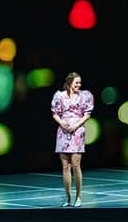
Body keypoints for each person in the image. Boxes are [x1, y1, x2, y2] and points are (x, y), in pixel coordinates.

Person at [51, 72, 94, 207]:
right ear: (69, 83)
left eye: (80, 83)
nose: (79, 85)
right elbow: (55, 113)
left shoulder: (84, 96)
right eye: (76, 82)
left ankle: (78, 197)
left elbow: (87, 114)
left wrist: (76, 125)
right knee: (65, 166)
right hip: (63, 132)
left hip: (77, 131)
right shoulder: (60, 96)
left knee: (76, 164)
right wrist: (62, 123)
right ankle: (68, 198)